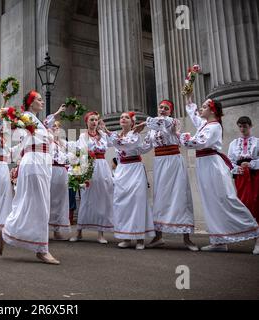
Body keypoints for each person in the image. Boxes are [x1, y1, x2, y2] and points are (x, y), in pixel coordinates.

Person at [180, 95, 259, 254]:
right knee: (211, 203)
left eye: (204, 106)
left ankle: (256, 233)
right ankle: (218, 241)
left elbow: (199, 142)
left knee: (226, 199)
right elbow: (195, 116)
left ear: (212, 110)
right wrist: (189, 100)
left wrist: (180, 135)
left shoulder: (214, 126)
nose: (201, 109)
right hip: (204, 164)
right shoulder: (205, 124)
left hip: (212, 165)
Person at [0, 91, 61, 265]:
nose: (42, 102)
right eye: (39, 99)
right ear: (31, 102)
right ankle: (42, 250)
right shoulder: (26, 117)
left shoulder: (36, 120)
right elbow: (13, 126)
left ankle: (6, 231)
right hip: (34, 162)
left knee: (33, 203)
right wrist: (8, 112)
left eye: (41, 99)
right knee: (40, 205)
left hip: (42, 163)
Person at [137, 100, 198, 251]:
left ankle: (187, 238)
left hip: (174, 161)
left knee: (180, 196)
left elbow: (161, 124)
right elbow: (143, 148)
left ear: (170, 111)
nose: (163, 110)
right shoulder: (152, 129)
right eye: (161, 107)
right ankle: (158, 237)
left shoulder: (172, 122)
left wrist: (144, 122)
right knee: (160, 197)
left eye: (166, 108)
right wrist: (129, 140)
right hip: (159, 163)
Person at [107, 112, 155, 250]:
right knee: (121, 202)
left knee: (137, 201)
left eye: (126, 117)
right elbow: (108, 142)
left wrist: (105, 130)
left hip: (134, 169)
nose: (123, 119)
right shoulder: (116, 135)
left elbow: (123, 145)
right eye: (121, 117)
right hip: (122, 170)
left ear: (132, 123)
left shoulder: (135, 136)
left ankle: (140, 238)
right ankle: (126, 237)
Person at [69, 112, 114, 244]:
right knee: (86, 198)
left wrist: (105, 129)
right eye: (91, 120)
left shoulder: (103, 135)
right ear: (86, 122)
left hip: (102, 167)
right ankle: (79, 232)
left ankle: (101, 233)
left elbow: (115, 141)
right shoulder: (83, 136)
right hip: (89, 165)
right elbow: (81, 151)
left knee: (102, 198)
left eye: (96, 120)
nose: (94, 122)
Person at [228, 116, 259, 222]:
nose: (242, 129)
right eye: (240, 126)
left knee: (255, 199)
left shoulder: (257, 142)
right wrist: (237, 169)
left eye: (245, 126)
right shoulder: (233, 144)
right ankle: (246, 227)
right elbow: (230, 162)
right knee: (243, 200)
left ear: (250, 126)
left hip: (255, 174)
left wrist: (251, 164)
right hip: (241, 176)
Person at [48, 117, 73, 241]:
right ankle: (46, 229)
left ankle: (57, 230)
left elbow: (74, 152)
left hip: (62, 171)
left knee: (61, 200)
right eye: (53, 127)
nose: (56, 129)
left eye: (57, 127)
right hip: (50, 170)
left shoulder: (63, 143)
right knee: (49, 199)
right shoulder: (47, 141)